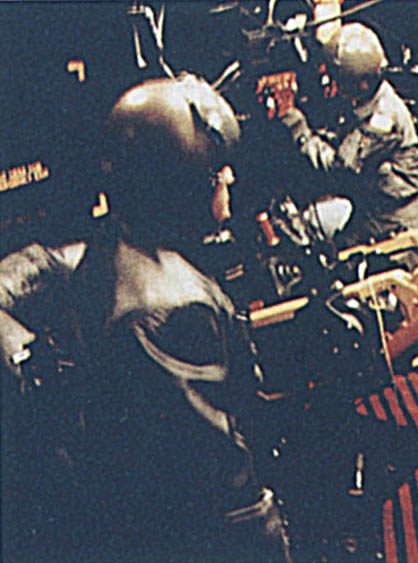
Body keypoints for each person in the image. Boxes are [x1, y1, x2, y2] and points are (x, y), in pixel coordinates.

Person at [0, 74, 291, 561]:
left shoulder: (105, 253)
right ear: (184, 182)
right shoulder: (175, 311)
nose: (231, 179)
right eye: (219, 170)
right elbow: (226, 497)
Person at [279, 22, 418, 252]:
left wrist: (296, 125)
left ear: (356, 83)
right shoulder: (372, 96)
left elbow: (340, 167)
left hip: (394, 232)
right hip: (374, 215)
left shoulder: (383, 119)